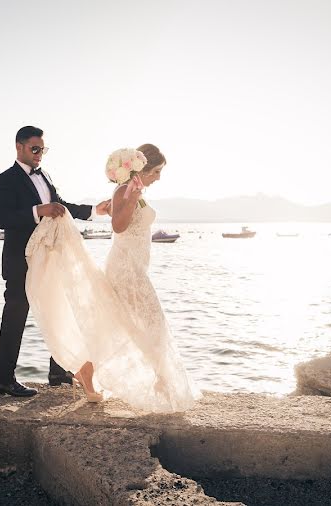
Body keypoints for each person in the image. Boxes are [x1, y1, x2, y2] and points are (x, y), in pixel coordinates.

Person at [25, 144, 200, 412]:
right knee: (153, 323)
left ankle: (89, 372)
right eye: (156, 171)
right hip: (125, 269)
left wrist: (136, 197)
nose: (159, 177)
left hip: (135, 267)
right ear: (142, 168)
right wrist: (130, 199)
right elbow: (118, 225)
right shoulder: (122, 191)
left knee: (119, 325)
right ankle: (161, 382)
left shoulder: (136, 192)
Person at [0, 126, 111, 397]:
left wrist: (94, 210)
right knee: (15, 317)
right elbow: (4, 219)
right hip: (21, 259)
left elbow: (60, 205)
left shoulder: (44, 175)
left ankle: (59, 374)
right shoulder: (4, 180)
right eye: (35, 149)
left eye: (43, 150)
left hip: (51, 258)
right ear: (19, 147)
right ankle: (4, 380)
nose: (39, 155)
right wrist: (38, 211)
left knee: (61, 309)